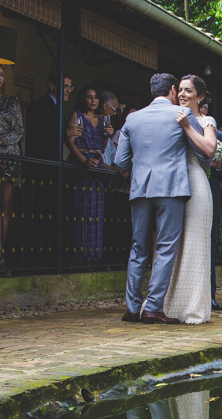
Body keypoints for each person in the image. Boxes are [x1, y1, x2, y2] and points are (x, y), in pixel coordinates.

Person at [115, 73, 210, 324]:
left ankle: (132, 308)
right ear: (171, 89)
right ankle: (153, 308)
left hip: (140, 190)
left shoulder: (132, 118)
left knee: (138, 248)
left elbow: (120, 161)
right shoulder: (181, 115)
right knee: (165, 248)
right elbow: (203, 155)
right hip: (171, 188)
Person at [162, 75, 219, 325]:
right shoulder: (167, 116)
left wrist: (186, 125)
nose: (183, 94)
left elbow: (209, 150)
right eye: (181, 90)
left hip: (195, 183)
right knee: (171, 245)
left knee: (195, 243)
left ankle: (193, 306)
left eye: (188, 91)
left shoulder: (205, 121)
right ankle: (168, 305)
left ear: (200, 97)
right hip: (171, 184)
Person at [68, 85, 111, 264]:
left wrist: (109, 135)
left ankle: (94, 256)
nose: (93, 101)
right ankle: (80, 256)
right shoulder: (77, 116)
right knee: (82, 211)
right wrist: (84, 161)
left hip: (97, 163)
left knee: (96, 213)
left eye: (95, 97)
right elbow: (70, 142)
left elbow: (102, 145)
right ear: (82, 99)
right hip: (82, 163)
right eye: (89, 97)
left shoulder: (102, 121)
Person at [0, 62, 24, 269]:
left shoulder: (12, 101)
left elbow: (19, 129)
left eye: (2, 74)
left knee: (5, 206)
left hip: (10, 158)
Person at [200, 101, 222, 312]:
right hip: (187, 191)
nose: (202, 111)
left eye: (204, 107)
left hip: (210, 193)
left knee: (209, 246)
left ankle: (209, 295)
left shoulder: (220, 138)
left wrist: (219, 165)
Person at [25, 70, 80, 161]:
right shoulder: (38, 105)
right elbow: (38, 137)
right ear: (51, 85)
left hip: (52, 164)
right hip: (39, 164)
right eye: (65, 86)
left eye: (70, 87)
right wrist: (66, 133)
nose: (69, 90)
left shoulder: (58, 108)